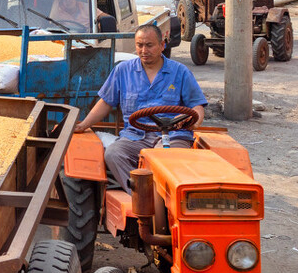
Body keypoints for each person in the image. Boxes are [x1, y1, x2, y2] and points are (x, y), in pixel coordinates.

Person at [74, 24, 207, 191]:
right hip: (135, 136)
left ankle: (165, 200)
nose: (144, 50)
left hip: (173, 136)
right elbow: (106, 102)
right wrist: (83, 124)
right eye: (140, 45)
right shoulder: (122, 70)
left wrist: (194, 122)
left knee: (163, 159)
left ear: (162, 45)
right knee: (113, 154)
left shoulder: (180, 72)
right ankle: (140, 196)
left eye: (149, 45)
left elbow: (197, 105)